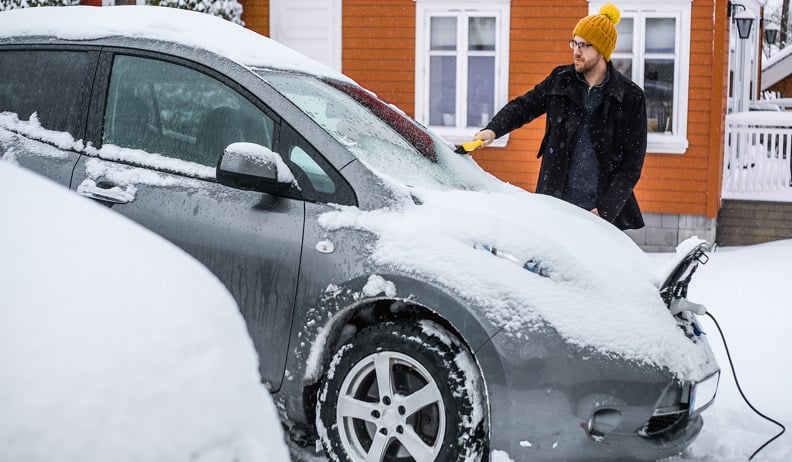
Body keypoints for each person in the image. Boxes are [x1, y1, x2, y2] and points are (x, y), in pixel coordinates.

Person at [473, 3, 647, 230]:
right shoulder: (561, 80)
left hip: (598, 214)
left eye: (585, 45)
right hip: (555, 204)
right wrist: (493, 129)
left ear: (602, 51)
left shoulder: (629, 97)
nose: (576, 51)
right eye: (574, 42)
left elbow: (632, 165)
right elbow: (524, 107)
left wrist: (604, 211)